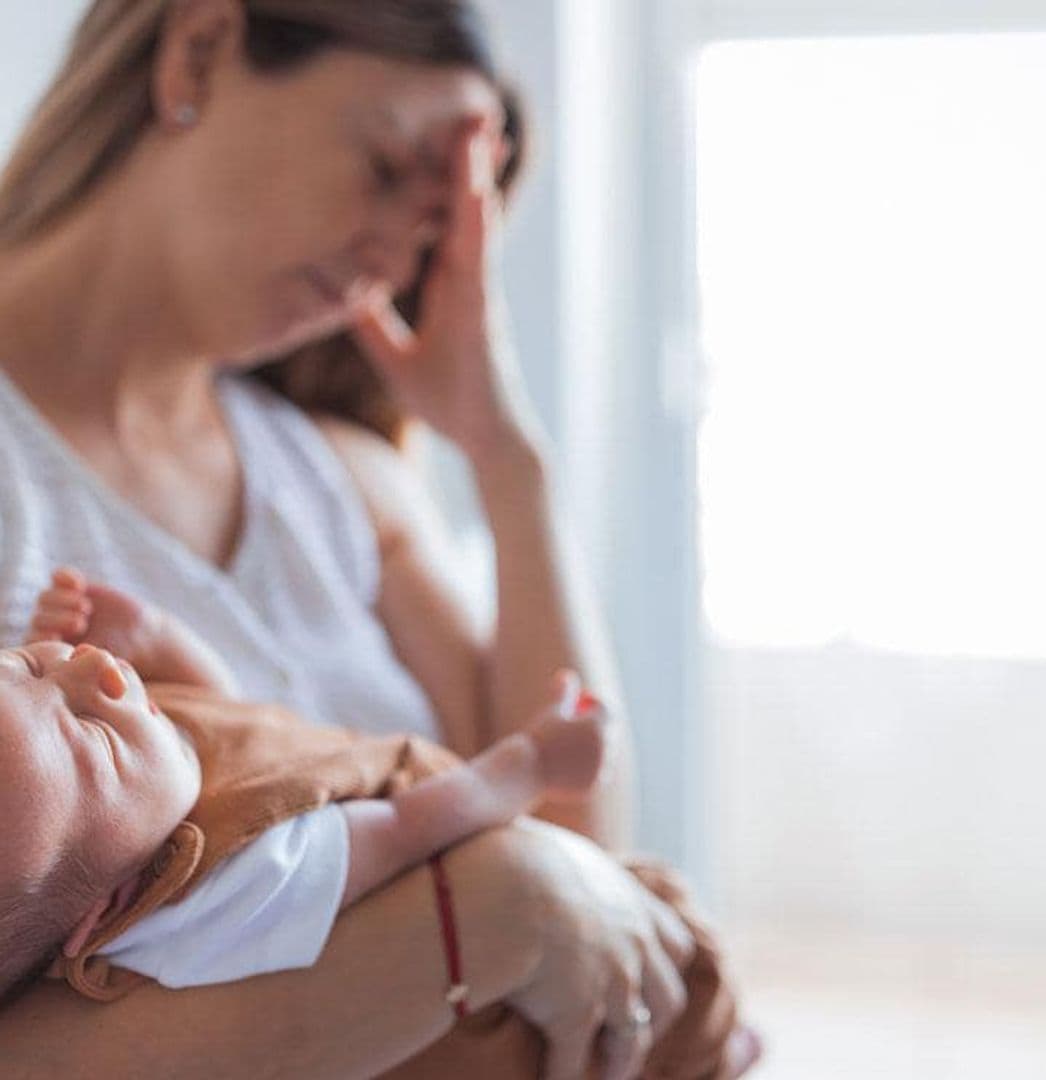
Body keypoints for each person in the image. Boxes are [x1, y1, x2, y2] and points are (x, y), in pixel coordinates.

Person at [0, 1, 760, 1077]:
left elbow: (582, 853)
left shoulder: (340, 477)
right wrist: (490, 913)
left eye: (438, 227)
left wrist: (503, 454)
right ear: (202, 52)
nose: (400, 248)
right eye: (389, 165)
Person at [0, 569, 606, 1002]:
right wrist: (533, 763)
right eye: (91, 729)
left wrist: (158, 640)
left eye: (28, 664)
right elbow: (411, 825)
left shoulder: (138, 801)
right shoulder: (239, 882)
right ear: (109, 912)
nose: (92, 666)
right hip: (494, 866)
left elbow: (236, 729)